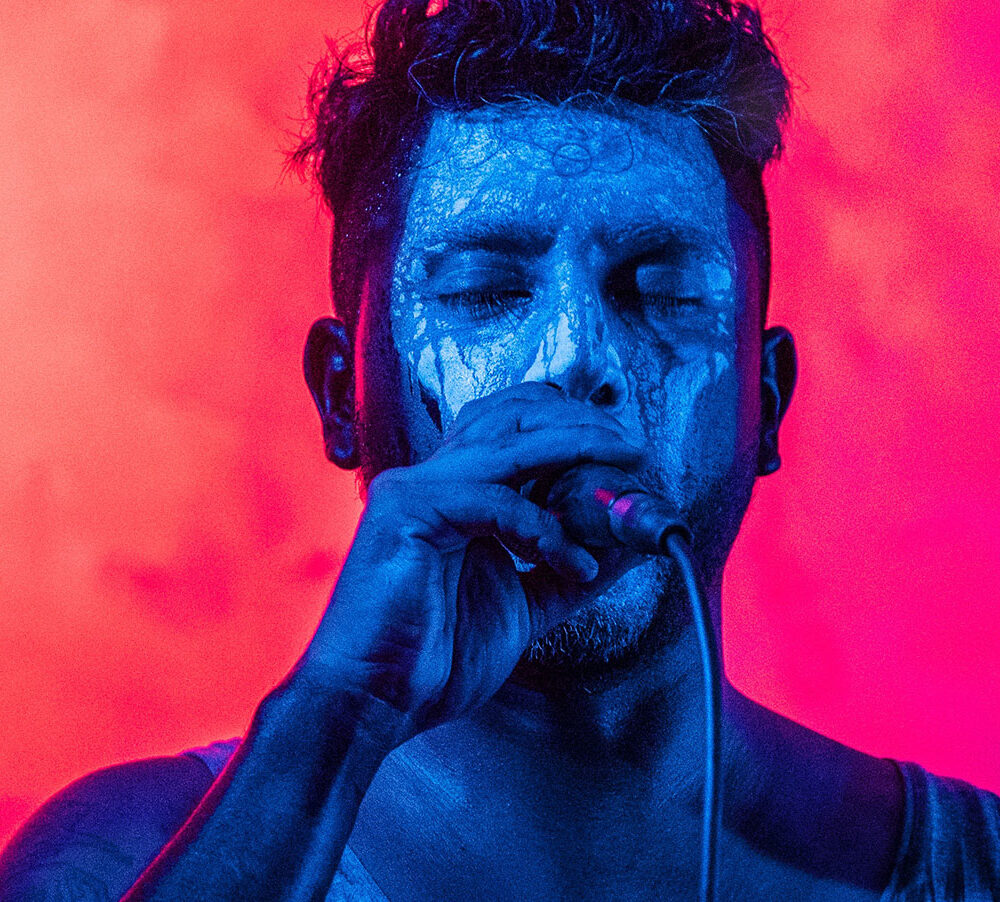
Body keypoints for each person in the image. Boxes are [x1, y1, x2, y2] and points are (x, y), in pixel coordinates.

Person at [1, 0, 998, 899]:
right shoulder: (114, 858)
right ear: (343, 397)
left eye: (663, 291)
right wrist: (338, 715)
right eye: (483, 290)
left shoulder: (975, 865)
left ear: (766, 402)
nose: (576, 357)